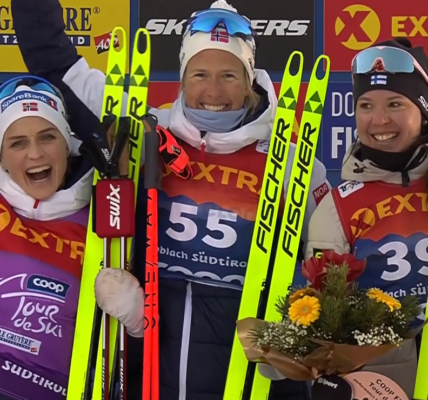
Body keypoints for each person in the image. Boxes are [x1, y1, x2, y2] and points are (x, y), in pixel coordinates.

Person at [11, 0, 331, 398]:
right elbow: (55, 65)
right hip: (148, 377)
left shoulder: (295, 165)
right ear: (181, 76)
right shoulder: (142, 131)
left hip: (250, 384)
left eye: (229, 75)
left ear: (249, 79)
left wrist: (298, 338)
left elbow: (330, 278)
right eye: (199, 74)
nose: (213, 91)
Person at [0, 77, 145, 400]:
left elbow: (131, 365)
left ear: (67, 144)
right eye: (17, 143)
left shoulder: (106, 216)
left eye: (47, 137)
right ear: (2, 158)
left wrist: (137, 324)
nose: (35, 154)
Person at [305, 37, 428, 398]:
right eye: (365, 105)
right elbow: (326, 316)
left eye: (395, 104)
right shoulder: (338, 206)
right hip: (382, 386)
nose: (379, 120)